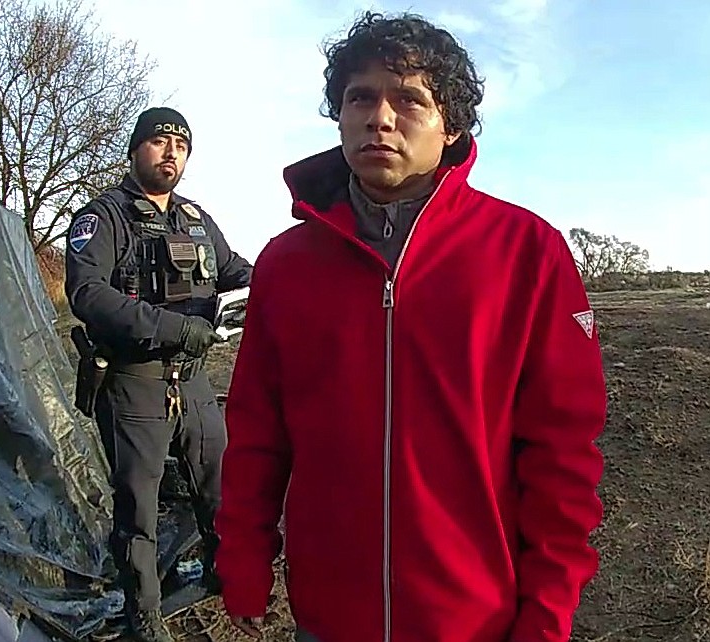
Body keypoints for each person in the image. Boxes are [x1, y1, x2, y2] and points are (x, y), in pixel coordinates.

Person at [214, 11, 606, 642]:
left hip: (476, 620)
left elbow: (563, 455)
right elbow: (257, 428)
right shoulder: (287, 266)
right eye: (360, 97)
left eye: (409, 100)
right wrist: (243, 555)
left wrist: (548, 610)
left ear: (450, 125)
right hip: (328, 617)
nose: (380, 117)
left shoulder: (526, 253)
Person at [65, 106, 253, 642]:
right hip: (134, 379)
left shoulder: (195, 219)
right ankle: (143, 613)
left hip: (192, 380)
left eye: (181, 145)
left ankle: (222, 570)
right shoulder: (103, 218)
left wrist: (275, 279)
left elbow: (235, 270)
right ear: (134, 150)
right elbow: (87, 294)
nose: (170, 152)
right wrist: (173, 327)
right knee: (139, 506)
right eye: (158, 141)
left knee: (218, 482)